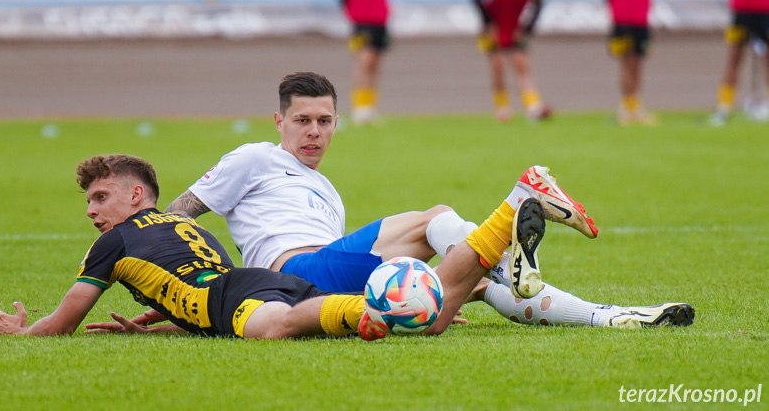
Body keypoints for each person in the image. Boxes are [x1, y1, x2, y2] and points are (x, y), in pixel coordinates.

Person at [161, 72, 693, 329]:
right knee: (436, 218)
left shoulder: (324, 186)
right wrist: (184, 292)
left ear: (337, 122)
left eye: (325, 121)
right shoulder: (253, 156)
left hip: (326, 284)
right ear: (279, 122)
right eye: (302, 121)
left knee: (465, 291)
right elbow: (177, 218)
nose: (314, 132)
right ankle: (516, 208)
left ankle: (613, 317)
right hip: (293, 273)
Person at [0, 155, 373, 340]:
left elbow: (63, 324)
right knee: (310, 319)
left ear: (136, 194)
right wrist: (160, 329)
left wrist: (22, 334)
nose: (91, 211)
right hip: (261, 283)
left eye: (101, 197)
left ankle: (386, 310)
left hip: (236, 295)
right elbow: (213, 296)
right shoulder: (187, 224)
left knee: (274, 328)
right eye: (89, 202)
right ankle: (402, 309)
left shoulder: (113, 242)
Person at [472, 0, 551, 122]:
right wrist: (488, 25)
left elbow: (538, 7)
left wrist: (526, 29)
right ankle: (502, 108)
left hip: (515, 28)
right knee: (498, 67)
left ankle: (533, 107)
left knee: (521, 66)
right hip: (496, 28)